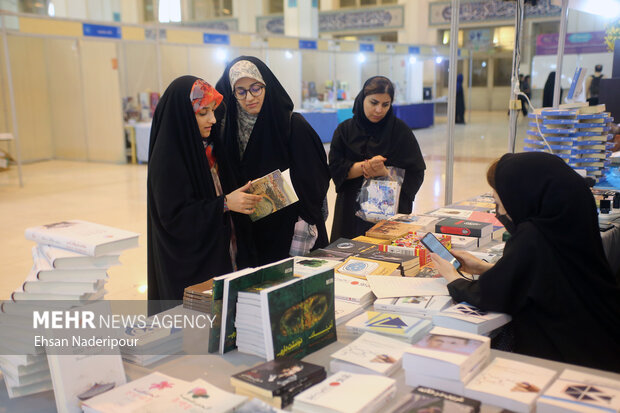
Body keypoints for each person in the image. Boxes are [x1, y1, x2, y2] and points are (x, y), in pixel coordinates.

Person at [431, 152, 620, 372]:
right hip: (599, 340)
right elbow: (548, 275)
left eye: (500, 203)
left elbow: (494, 295)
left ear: (520, 195)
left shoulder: (534, 235)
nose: (500, 212)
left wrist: (453, 278)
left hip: (563, 358)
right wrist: (486, 268)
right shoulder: (568, 218)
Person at [147, 76, 261, 305]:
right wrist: (225, 203)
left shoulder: (209, 146)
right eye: (202, 113)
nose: (212, 119)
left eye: (213, 110)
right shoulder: (168, 159)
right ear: (183, 116)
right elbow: (174, 218)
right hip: (192, 268)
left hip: (226, 254)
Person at [216, 57, 330, 265]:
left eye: (256, 88)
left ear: (266, 85)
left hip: (293, 233)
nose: (249, 97)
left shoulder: (292, 126)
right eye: (240, 91)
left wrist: (301, 234)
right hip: (252, 236)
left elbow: (316, 182)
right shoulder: (228, 133)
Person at [328, 76, 426, 241]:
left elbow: (416, 173)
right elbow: (336, 170)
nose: (379, 110)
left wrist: (386, 173)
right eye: (373, 103)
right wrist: (366, 167)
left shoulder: (400, 132)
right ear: (362, 99)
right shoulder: (344, 131)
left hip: (388, 218)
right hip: (350, 214)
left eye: (385, 104)